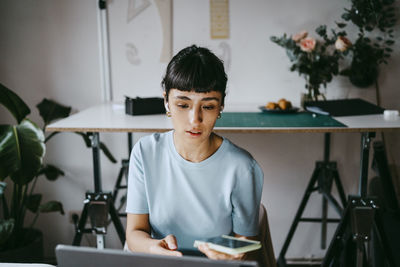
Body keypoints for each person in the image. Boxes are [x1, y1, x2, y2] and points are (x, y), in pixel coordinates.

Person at [125, 45, 264, 262]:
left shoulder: (242, 168)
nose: (195, 120)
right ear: (166, 102)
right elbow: (134, 234)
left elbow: (248, 246)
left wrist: (232, 257)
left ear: (221, 107)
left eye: (208, 107)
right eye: (182, 105)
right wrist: (154, 247)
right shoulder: (145, 153)